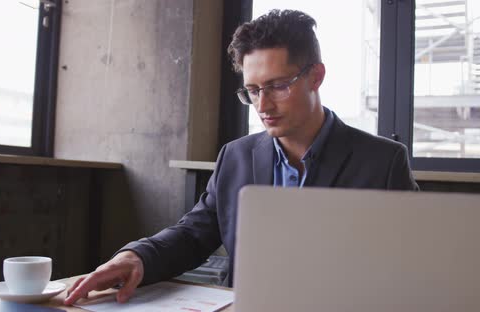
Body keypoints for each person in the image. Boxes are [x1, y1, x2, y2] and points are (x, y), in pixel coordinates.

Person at [64, 9, 418, 305]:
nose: (262, 106)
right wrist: (137, 256)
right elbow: (194, 234)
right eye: (252, 90)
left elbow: (409, 269)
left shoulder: (383, 163)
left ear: (316, 77)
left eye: (278, 86)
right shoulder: (236, 156)